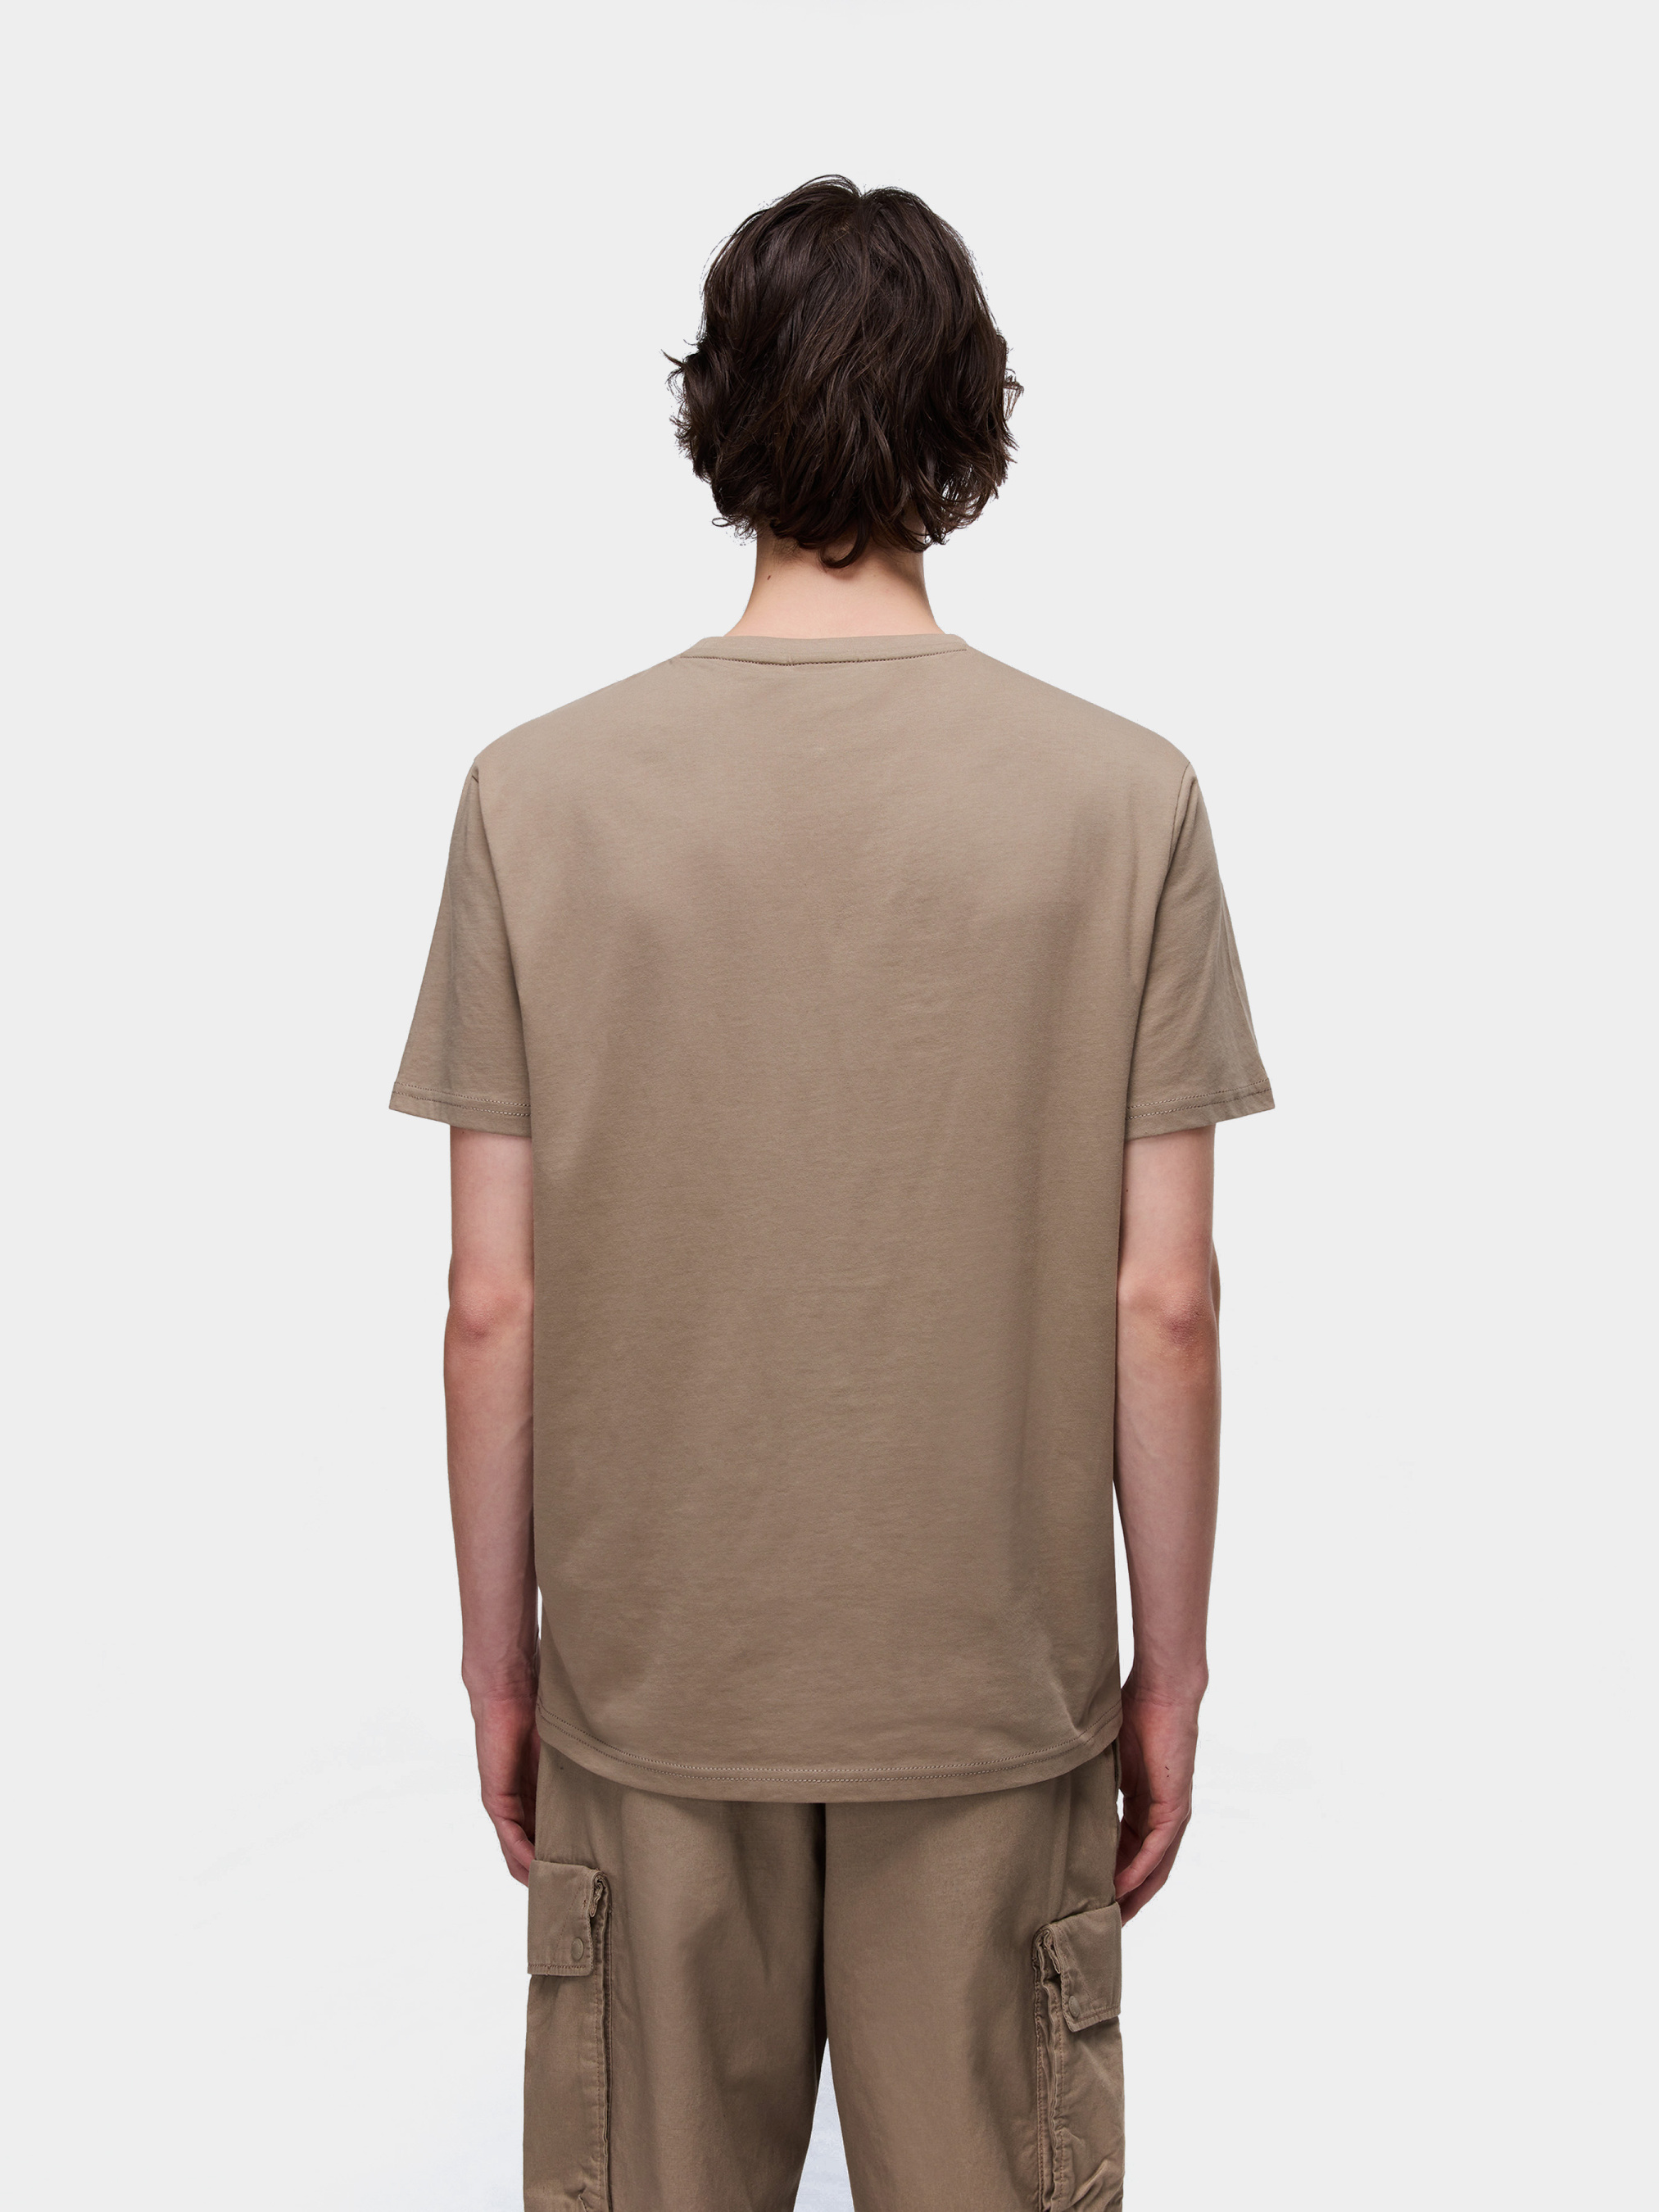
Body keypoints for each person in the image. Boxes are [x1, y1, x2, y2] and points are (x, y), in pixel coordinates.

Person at [391, 175, 1272, 2212]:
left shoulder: (533, 795)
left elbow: (491, 1300)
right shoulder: (1122, 798)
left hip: (649, 1690)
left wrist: (501, 1665)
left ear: (716, 417)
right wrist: (1166, 1675)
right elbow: (1162, 1301)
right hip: (989, 1694)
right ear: (968, 421)